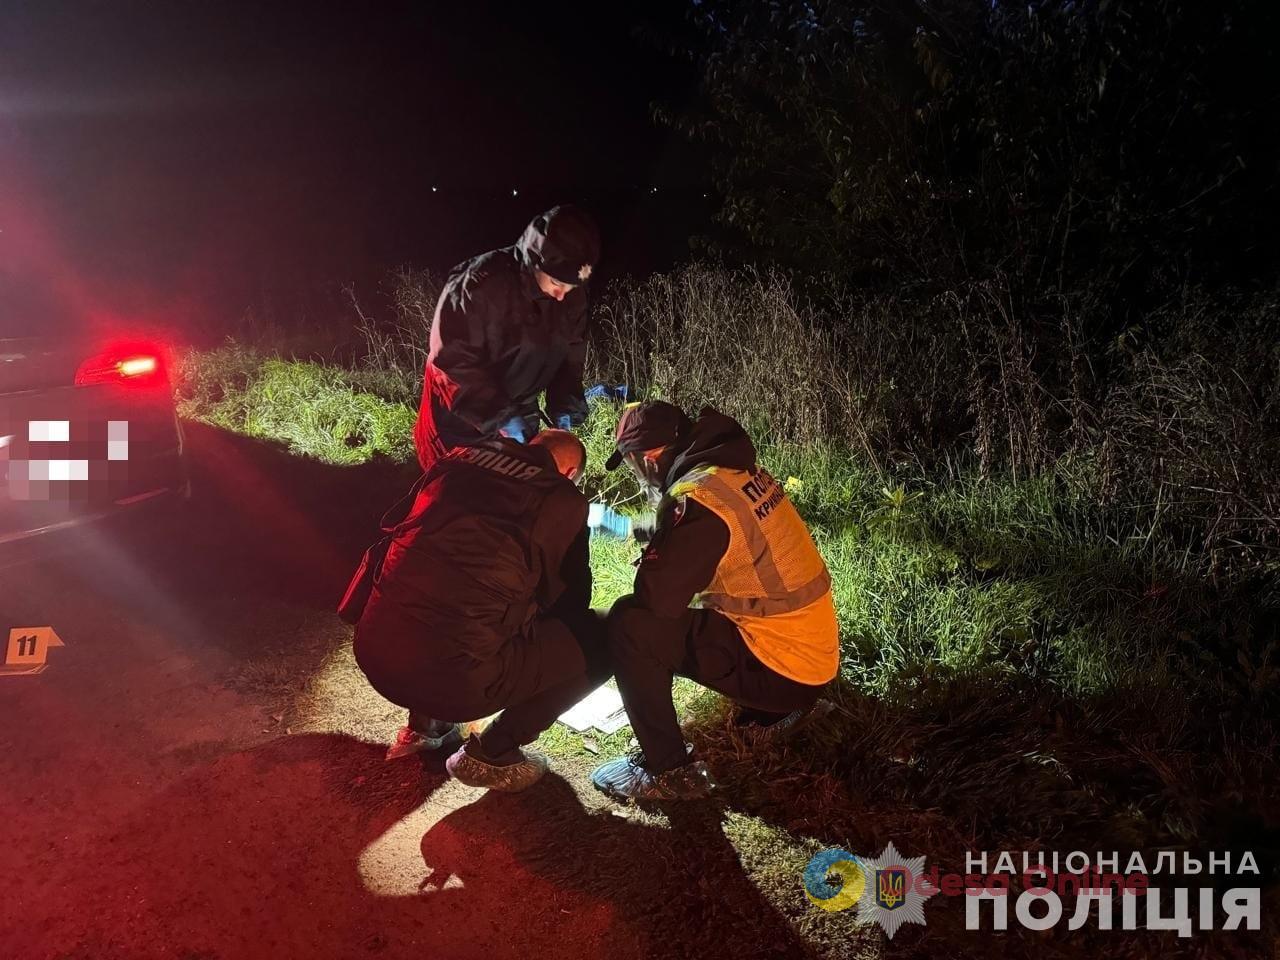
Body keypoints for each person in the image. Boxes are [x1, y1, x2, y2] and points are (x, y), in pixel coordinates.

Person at [590, 402, 840, 802]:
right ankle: (769, 713)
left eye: (635, 466)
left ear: (651, 458)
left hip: (782, 672)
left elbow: (657, 601)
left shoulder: (697, 499)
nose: (640, 476)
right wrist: (631, 529)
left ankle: (666, 768)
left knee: (629, 624)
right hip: (811, 655)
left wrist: (657, 558)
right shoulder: (729, 470)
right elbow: (711, 538)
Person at [353, 429, 609, 791]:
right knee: (605, 633)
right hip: (456, 685)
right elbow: (572, 604)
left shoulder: (460, 460)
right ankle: (495, 751)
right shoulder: (560, 498)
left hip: (374, 651)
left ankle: (424, 728)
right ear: (568, 473)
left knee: (447, 595)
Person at [414, 204, 601, 471]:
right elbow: (452, 362)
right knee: (460, 495)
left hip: (521, 409)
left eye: (572, 288)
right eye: (556, 285)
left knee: (519, 490)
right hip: (465, 416)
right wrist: (501, 417)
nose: (562, 296)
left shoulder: (572, 296)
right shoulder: (480, 284)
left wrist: (565, 408)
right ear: (536, 261)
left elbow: (570, 356)